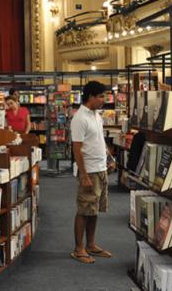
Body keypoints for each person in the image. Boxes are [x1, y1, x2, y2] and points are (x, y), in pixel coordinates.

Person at [70, 81, 113, 264]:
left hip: (101, 168)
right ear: (91, 97)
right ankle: (79, 248)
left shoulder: (96, 115)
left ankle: (91, 244)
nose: (104, 100)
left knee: (94, 210)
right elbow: (77, 149)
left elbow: (98, 141)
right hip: (89, 171)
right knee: (84, 210)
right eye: (101, 96)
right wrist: (84, 174)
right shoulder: (80, 118)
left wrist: (109, 159)